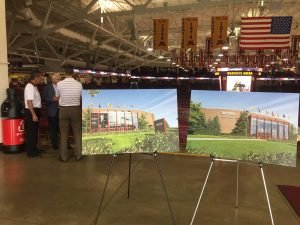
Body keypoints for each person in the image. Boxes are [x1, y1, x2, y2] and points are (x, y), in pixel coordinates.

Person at [57, 68, 83, 162]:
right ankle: (78, 155)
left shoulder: (59, 84)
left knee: (64, 134)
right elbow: (80, 97)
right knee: (77, 133)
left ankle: (63, 157)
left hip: (63, 110)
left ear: (65, 73)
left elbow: (58, 96)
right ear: (73, 73)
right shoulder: (79, 84)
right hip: (75, 109)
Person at [24, 70, 43, 157]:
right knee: (31, 132)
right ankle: (31, 152)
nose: (41, 79)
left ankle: (34, 148)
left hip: (35, 110)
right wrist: (33, 114)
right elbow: (29, 102)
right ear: (36, 78)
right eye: (40, 77)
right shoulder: (30, 87)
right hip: (32, 111)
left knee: (34, 131)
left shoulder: (34, 86)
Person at [43, 73, 61, 149]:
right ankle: (55, 145)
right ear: (53, 79)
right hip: (52, 110)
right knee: (53, 129)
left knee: (63, 128)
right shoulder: (47, 88)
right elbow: (44, 98)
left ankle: (66, 145)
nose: (59, 80)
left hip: (62, 110)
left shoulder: (63, 86)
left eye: (60, 79)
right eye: (58, 79)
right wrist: (52, 99)